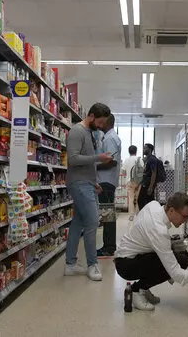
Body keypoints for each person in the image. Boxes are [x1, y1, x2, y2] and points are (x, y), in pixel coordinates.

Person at [115, 192, 188, 311]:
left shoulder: (154, 205)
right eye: (184, 216)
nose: (185, 221)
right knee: (180, 263)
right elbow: (177, 274)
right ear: (171, 210)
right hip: (126, 265)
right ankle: (136, 290)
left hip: (131, 254)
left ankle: (143, 288)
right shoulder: (159, 230)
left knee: (183, 256)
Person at [65, 102, 113, 281]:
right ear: (91, 116)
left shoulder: (89, 133)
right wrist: (98, 157)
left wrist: (94, 182)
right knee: (92, 222)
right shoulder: (77, 131)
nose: (100, 127)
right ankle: (93, 264)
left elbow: (87, 163)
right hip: (78, 184)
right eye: (99, 123)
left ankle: (70, 264)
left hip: (87, 183)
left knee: (78, 223)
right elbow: (73, 159)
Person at [96, 114, 121, 257]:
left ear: (108, 122)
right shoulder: (109, 137)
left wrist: (93, 166)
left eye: (102, 121)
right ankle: (109, 245)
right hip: (107, 181)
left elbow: (112, 161)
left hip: (106, 181)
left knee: (107, 215)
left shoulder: (110, 138)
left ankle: (109, 247)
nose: (99, 123)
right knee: (108, 214)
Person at [122, 145, 143, 221]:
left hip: (129, 181)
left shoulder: (127, 160)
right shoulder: (140, 160)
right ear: (136, 151)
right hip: (138, 182)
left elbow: (123, 171)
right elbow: (143, 170)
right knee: (138, 198)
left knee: (131, 199)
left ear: (129, 151)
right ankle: (138, 214)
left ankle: (131, 216)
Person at [138, 143, 158, 210]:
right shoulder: (148, 159)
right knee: (149, 200)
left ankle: (145, 215)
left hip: (148, 184)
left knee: (141, 200)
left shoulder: (152, 159)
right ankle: (148, 215)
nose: (143, 150)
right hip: (146, 183)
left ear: (149, 149)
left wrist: (150, 187)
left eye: (145, 148)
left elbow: (154, 173)